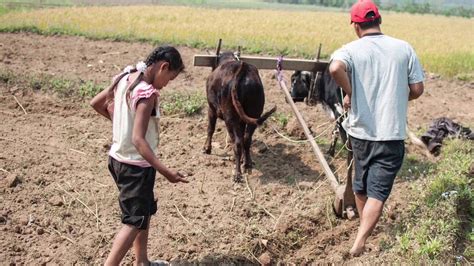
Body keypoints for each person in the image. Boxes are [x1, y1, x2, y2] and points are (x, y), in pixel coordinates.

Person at [329, 0, 424, 256]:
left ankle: (361, 234)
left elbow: (335, 67)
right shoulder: (404, 48)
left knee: (361, 186)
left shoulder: (350, 49)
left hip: (360, 133)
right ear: (379, 20)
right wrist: (397, 96)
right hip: (390, 135)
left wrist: (351, 92)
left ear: (356, 26)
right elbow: (417, 89)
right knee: (378, 191)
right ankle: (362, 237)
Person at [90, 46, 189, 265]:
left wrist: (120, 124)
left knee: (142, 212)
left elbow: (96, 103)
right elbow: (138, 140)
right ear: (163, 67)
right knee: (134, 221)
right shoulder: (147, 93)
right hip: (136, 166)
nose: (166, 84)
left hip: (117, 160)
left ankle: (142, 261)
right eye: (169, 79)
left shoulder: (124, 78)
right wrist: (166, 172)